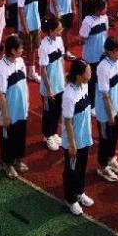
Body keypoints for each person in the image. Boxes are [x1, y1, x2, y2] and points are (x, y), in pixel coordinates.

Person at [0, 34, 30, 178]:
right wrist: (5, 116)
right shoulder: (1, 69)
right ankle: (7, 164)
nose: (22, 50)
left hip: (21, 110)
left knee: (20, 136)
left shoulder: (20, 62)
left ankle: (18, 160)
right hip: (9, 112)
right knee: (8, 139)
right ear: (13, 50)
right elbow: (0, 95)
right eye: (20, 48)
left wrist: (26, 103)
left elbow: (23, 84)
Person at [62, 59, 95, 215]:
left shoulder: (85, 86)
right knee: (71, 171)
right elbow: (67, 121)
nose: (91, 73)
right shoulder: (69, 95)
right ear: (79, 75)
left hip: (84, 137)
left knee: (81, 168)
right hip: (74, 140)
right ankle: (70, 199)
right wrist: (72, 144)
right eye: (88, 72)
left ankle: (80, 192)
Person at [95, 36, 118, 182]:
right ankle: (103, 167)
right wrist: (110, 115)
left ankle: (111, 158)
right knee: (105, 139)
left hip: (116, 108)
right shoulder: (103, 68)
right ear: (111, 52)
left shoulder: (117, 63)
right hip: (105, 113)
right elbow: (105, 94)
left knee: (114, 136)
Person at [38, 15, 66, 152]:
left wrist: (64, 78)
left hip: (59, 83)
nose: (61, 31)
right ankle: (47, 136)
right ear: (50, 31)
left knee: (57, 110)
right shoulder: (44, 46)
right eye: (58, 29)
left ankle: (54, 133)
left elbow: (61, 60)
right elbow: (43, 70)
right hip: (49, 87)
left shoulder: (59, 40)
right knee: (48, 112)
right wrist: (48, 90)